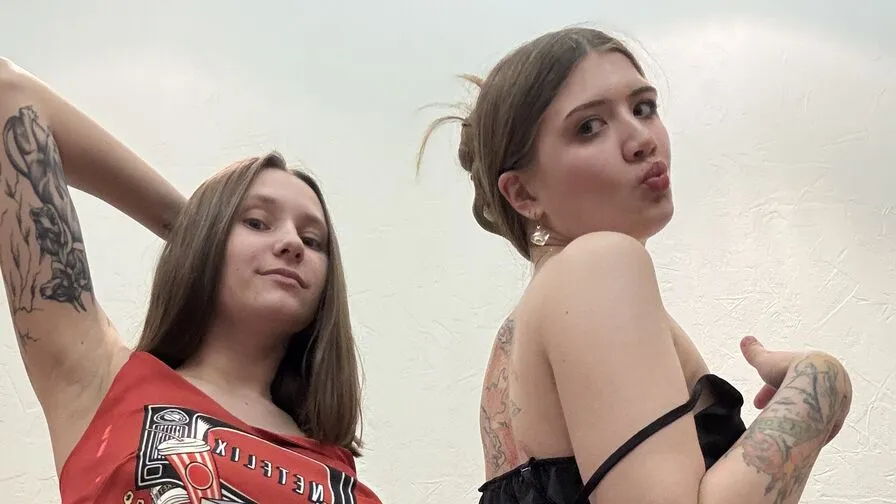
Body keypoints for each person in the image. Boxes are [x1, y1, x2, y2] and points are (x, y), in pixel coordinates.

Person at [418, 27, 853, 504]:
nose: (642, 139)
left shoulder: (520, 333)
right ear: (522, 193)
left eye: (643, 108)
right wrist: (820, 386)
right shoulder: (598, 266)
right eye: (589, 127)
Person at [0, 57, 382, 504]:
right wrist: (194, 233)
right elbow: (9, 92)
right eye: (256, 222)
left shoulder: (342, 479)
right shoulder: (102, 382)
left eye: (313, 241)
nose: (292, 243)